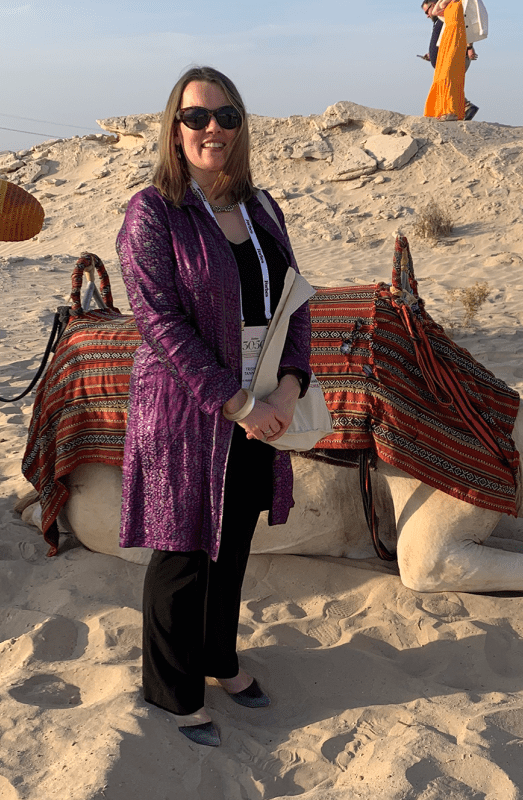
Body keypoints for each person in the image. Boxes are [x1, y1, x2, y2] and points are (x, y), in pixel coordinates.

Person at [116, 66, 312, 747]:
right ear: (175, 129)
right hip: (186, 412)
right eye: (197, 118)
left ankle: (219, 658)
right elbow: (160, 322)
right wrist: (233, 402)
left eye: (226, 117)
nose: (213, 130)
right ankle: (172, 692)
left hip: (262, 406)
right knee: (184, 550)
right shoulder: (153, 212)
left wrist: (289, 387)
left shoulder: (261, 209)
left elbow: (296, 302)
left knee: (233, 543)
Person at [420, 0, 478, 120]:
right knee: (443, 81)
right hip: (444, 57)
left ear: (433, 4)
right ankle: (450, 110)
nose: (427, 15)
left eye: (427, 11)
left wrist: (469, 47)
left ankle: (458, 109)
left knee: (448, 80)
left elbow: (465, 26)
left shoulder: (454, 9)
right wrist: (431, 54)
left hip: (457, 54)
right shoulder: (441, 19)